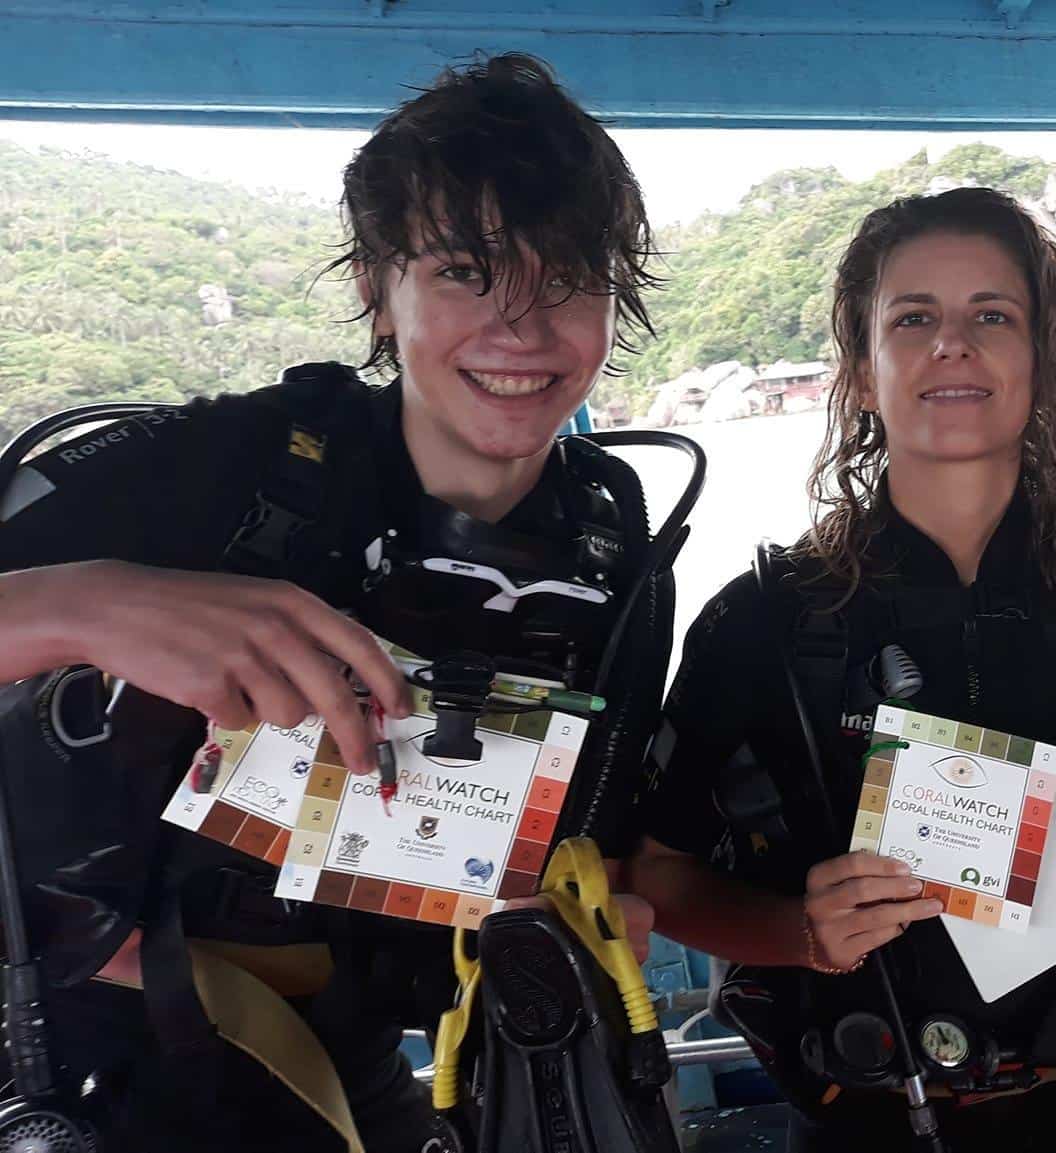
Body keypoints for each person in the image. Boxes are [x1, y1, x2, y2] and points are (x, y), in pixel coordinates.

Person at [0, 53, 670, 1151]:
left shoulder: (609, 543)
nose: (520, 328)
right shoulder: (230, 469)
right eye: (465, 271)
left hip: (351, 1054)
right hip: (66, 1050)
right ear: (377, 282)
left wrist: (601, 913)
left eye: (568, 281)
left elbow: (608, 832)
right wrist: (85, 602)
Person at [628, 187, 1056, 1152]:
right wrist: (800, 935)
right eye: (914, 318)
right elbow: (657, 869)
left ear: (1048, 357)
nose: (954, 343)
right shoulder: (772, 617)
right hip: (863, 1109)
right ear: (863, 372)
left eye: (993, 314)